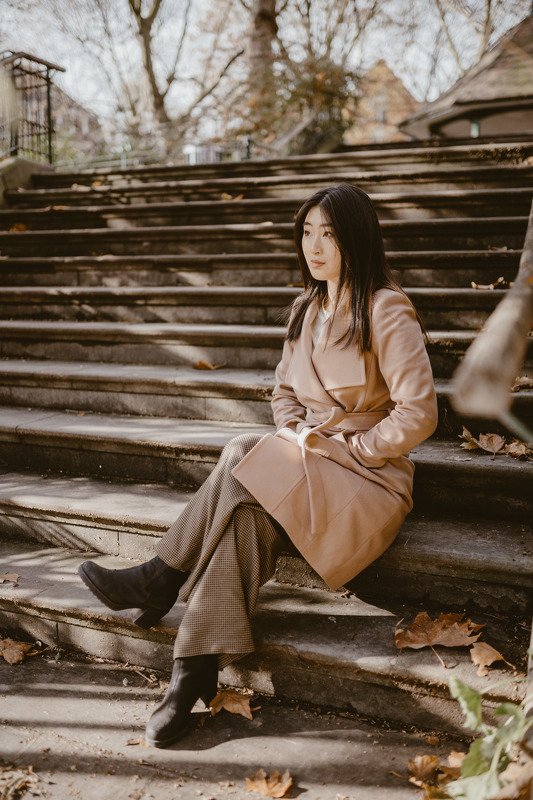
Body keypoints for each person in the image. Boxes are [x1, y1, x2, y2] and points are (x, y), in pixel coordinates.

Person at [78, 183, 438, 749]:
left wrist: (353, 451)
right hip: (307, 462)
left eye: (330, 235)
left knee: (241, 452)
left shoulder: (386, 308)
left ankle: (162, 577)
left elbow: (418, 414)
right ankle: (192, 668)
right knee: (245, 513)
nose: (314, 247)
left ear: (357, 241)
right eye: (307, 233)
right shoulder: (305, 308)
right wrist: (293, 431)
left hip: (370, 476)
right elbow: (282, 392)